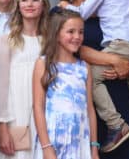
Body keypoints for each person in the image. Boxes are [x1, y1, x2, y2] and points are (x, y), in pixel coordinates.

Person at [56, 0, 129, 159]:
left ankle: (117, 126)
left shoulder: (110, 9)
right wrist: (116, 61)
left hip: (118, 93)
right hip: (82, 100)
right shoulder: (61, 12)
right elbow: (77, 50)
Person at [0, 0, 50, 159]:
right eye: (24, 0)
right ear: (18, 5)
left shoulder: (51, 41)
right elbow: (0, 87)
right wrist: (2, 127)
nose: (29, 4)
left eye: (35, 0)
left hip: (47, 114)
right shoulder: (7, 40)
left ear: (44, 4)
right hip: (17, 116)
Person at [33, 9, 99, 159]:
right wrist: (46, 147)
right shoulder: (43, 64)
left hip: (79, 142)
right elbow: (38, 106)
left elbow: (90, 109)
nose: (77, 37)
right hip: (53, 140)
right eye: (71, 31)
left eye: (81, 32)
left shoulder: (84, 68)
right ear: (56, 34)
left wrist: (94, 147)